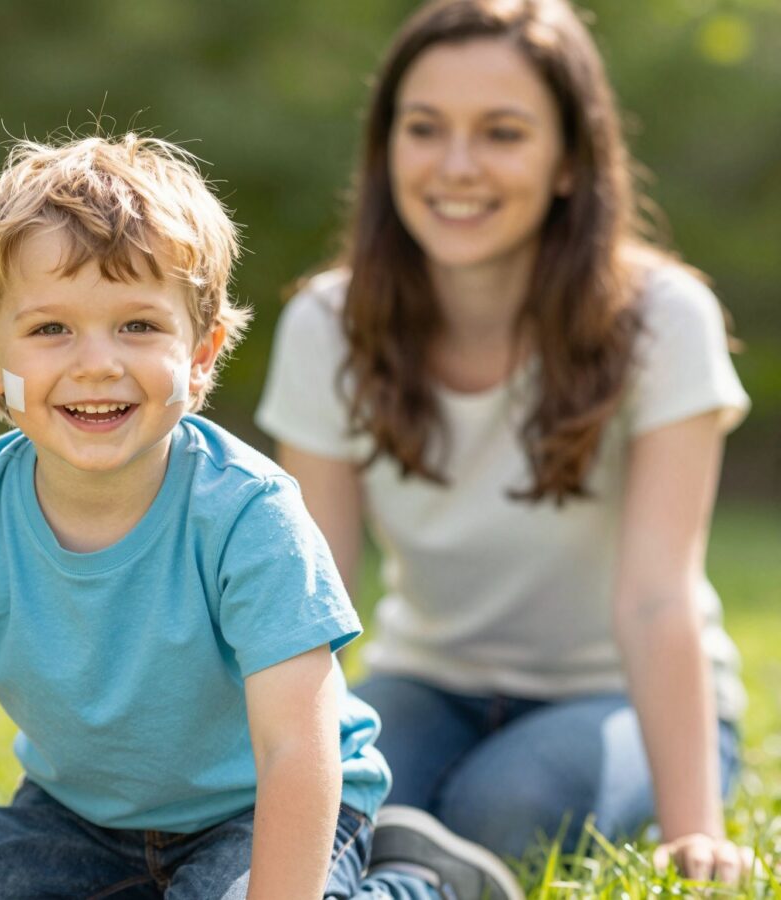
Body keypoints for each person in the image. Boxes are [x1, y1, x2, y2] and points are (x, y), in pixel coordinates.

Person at [0, 133, 524, 900]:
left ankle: (420, 882)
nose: (97, 362)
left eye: (139, 326)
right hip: (78, 817)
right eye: (50, 329)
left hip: (260, 807)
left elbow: (298, 745)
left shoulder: (248, 513)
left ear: (202, 354)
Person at [256, 0, 755, 885]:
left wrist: (696, 827)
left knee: (506, 807)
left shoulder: (665, 319)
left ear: (569, 161)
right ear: (386, 150)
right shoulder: (325, 325)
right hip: (429, 679)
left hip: (619, 696)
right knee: (326, 799)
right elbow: (314, 588)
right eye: (424, 128)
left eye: (502, 132)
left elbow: (656, 597)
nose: (456, 166)